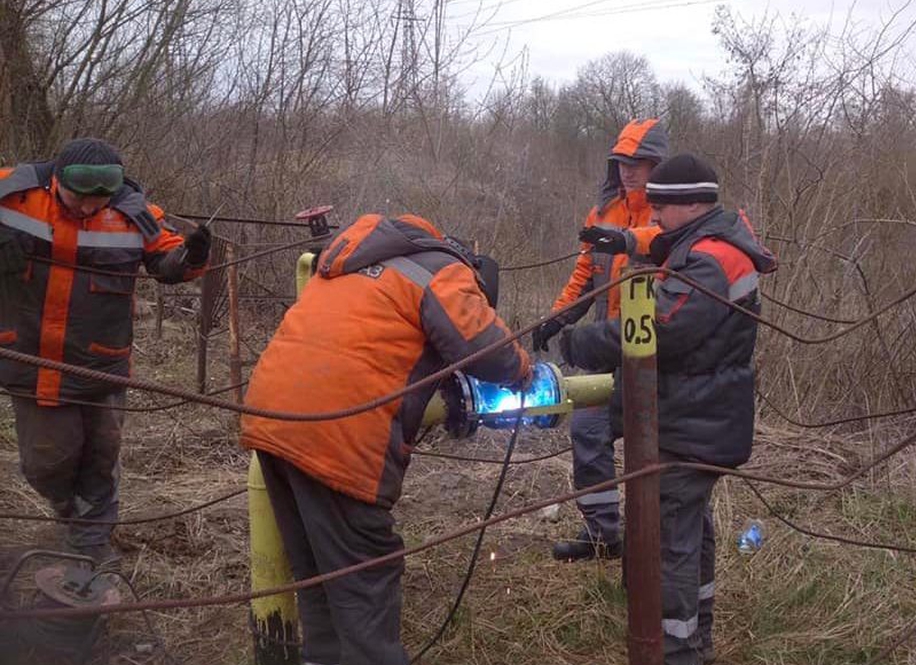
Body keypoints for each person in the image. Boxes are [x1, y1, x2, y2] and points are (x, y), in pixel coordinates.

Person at [239, 213, 532, 665]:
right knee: (364, 580)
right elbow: (485, 349)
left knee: (317, 575)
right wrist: (525, 372)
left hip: (270, 419)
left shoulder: (360, 257)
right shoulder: (444, 270)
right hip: (336, 434)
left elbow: (373, 342)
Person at [558, 153, 777, 665]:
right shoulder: (715, 241)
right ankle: (695, 641)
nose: (653, 217)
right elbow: (659, 248)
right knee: (690, 533)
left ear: (692, 204)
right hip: (705, 419)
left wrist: (581, 343)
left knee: (666, 544)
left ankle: (671, 650)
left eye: (661, 207)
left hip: (689, 424)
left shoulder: (708, 260)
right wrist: (625, 243)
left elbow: (659, 325)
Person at [0, 138, 211, 565]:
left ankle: (91, 549)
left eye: (96, 202)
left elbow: (167, 259)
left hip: (102, 361)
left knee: (100, 456)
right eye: (77, 200)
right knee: (47, 462)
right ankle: (73, 518)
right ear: (56, 181)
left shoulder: (132, 213)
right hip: (33, 357)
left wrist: (193, 255)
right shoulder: (13, 195)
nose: (85, 210)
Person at [534, 117, 669, 562]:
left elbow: (669, 241)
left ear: (657, 165)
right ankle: (602, 535)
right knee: (588, 428)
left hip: (659, 353)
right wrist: (557, 319)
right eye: (621, 162)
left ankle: (661, 539)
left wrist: (627, 240)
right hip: (608, 347)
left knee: (659, 446)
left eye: (638, 162)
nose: (628, 171)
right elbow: (584, 275)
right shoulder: (603, 212)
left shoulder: (672, 208)